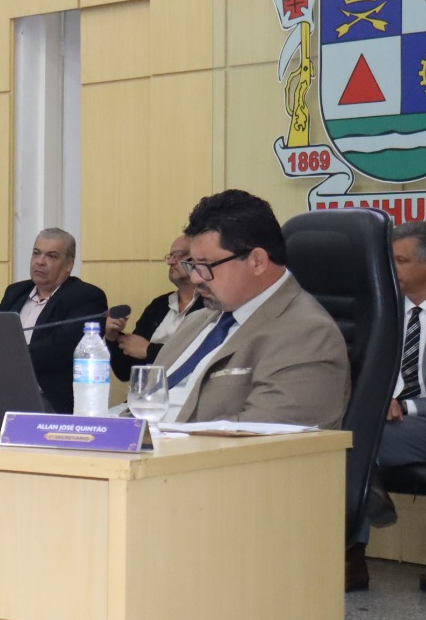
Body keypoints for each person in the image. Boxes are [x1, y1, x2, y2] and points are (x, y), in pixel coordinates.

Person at [153, 189, 348, 428]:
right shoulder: (197, 321)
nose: (195, 278)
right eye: (192, 265)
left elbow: (262, 434)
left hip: (194, 451)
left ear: (257, 261)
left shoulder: (309, 335)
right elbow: (142, 401)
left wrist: (157, 441)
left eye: (206, 265)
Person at [352, 221, 426, 589]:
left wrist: (405, 406)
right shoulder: (383, 310)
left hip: (417, 419)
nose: (390, 268)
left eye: (400, 260)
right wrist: (377, 400)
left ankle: (352, 557)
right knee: (340, 439)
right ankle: (353, 557)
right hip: (384, 420)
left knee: (357, 444)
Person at [0, 229, 108, 413]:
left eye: (51, 256)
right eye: (36, 253)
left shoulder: (85, 296)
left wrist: (12, 357)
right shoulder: (15, 292)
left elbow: (61, 348)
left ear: (69, 265)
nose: (40, 261)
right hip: (4, 392)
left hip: (50, 400)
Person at [104, 234, 204, 382]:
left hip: (188, 393)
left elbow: (202, 357)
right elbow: (126, 372)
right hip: (146, 393)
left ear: (199, 258)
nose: (170, 262)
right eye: (170, 256)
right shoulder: (159, 305)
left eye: (178, 255)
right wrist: (111, 337)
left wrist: (149, 350)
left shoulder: (211, 305)